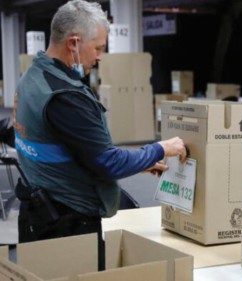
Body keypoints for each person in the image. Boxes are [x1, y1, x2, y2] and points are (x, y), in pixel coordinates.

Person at [13, 0, 186, 269]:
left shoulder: (33, 77)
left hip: (37, 215)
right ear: (73, 43)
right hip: (67, 224)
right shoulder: (66, 96)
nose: (99, 56)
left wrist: (141, 162)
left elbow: (70, 148)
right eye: (97, 48)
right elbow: (108, 162)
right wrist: (160, 149)